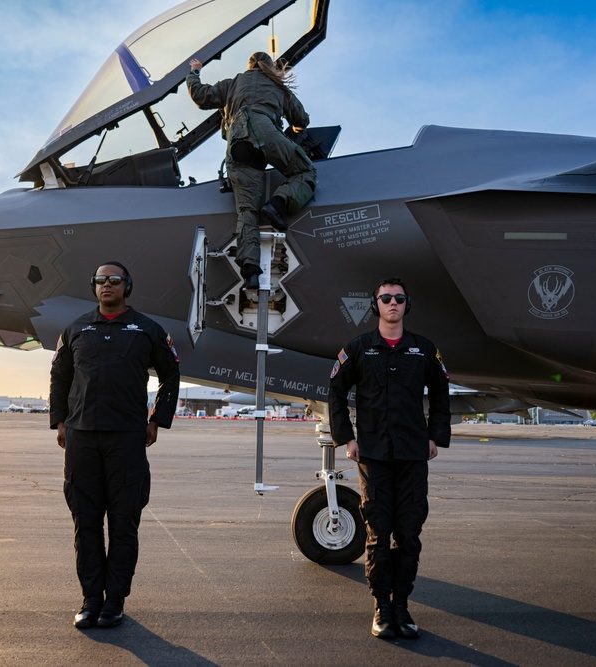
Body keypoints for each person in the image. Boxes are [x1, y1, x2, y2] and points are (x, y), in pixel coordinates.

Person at [49, 261, 180, 629]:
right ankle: (91, 600)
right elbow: (59, 375)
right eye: (101, 281)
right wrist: (59, 420)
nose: (107, 285)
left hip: (127, 440)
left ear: (127, 285)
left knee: (124, 523)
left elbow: (171, 374)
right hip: (82, 438)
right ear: (93, 287)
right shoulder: (76, 329)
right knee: (85, 522)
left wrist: (157, 420)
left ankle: (115, 602)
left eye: (115, 280)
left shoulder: (147, 330)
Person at [328, 277, 451, 640]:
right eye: (386, 298)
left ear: (406, 305)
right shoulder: (360, 348)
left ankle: (402, 607)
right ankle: (382, 607)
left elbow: (442, 393)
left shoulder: (424, 349)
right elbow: (336, 391)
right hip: (375, 456)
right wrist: (347, 438)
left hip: (413, 454)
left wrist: (435, 437)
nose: (393, 303)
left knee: (409, 536)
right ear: (376, 305)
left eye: (399, 298)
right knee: (379, 535)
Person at [187, 51, 317, 289]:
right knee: (305, 172)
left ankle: (250, 272)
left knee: (247, 211)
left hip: (238, 144)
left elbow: (201, 96)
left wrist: (194, 72)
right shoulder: (279, 86)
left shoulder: (233, 82)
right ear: (269, 66)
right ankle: (278, 204)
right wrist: (297, 129)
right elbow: (302, 120)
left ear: (249, 66)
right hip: (266, 133)